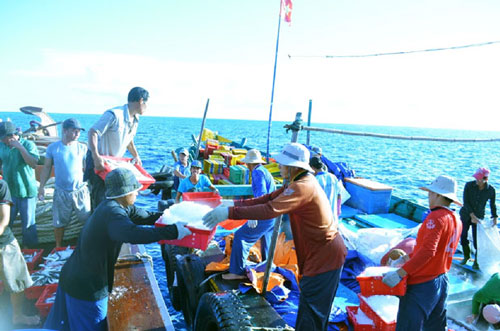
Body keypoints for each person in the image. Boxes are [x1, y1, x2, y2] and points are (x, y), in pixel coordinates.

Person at [203, 143, 347, 331]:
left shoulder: (303, 186)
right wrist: (233, 204)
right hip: (316, 253)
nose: (278, 167)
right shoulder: (296, 183)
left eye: (282, 163)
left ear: (293, 166)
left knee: (312, 311)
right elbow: (267, 199)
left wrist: (230, 213)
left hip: (325, 256)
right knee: (308, 306)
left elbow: (270, 209)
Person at [43, 168, 191, 330]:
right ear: (124, 193)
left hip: (72, 276)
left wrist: (173, 217)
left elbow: (147, 216)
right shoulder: (113, 213)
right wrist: (175, 232)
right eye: (134, 190)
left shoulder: (116, 206)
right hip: (86, 287)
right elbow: (132, 234)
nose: (137, 192)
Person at [382, 175, 463, 331]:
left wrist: (400, 272)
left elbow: (428, 252)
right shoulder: (456, 219)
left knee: (408, 326)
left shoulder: (435, 217)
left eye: (431, 193)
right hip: (442, 280)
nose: (429, 196)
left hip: (423, 283)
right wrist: (408, 257)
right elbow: (439, 249)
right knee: (435, 326)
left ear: (438, 195)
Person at [84, 86, 149, 210]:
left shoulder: (135, 119)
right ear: (141, 101)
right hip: (98, 162)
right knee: (98, 199)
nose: (147, 107)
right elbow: (92, 132)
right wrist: (96, 158)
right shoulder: (114, 115)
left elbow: (129, 140)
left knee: (113, 198)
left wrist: (136, 155)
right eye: (146, 103)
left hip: (113, 164)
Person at [223, 149, 276, 280]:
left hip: (264, 213)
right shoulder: (265, 171)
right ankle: (267, 267)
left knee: (241, 236)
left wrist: (254, 215)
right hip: (273, 214)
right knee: (266, 241)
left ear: (249, 164)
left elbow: (261, 195)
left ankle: (236, 272)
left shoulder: (257, 173)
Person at [38, 118, 90, 247]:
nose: (77, 133)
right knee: (59, 222)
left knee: (87, 220)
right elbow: (46, 167)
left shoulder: (82, 148)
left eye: (79, 131)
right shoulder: (53, 148)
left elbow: (86, 168)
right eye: (74, 130)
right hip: (61, 191)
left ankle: (87, 244)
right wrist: (42, 187)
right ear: (65, 130)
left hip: (80, 191)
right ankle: (58, 246)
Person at [0, 179, 40, 327]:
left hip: (4, 242)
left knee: (17, 280)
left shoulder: (1, 185)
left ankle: (17, 316)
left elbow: (4, 220)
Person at [0, 121, 39, 247]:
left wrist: (20, 148)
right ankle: (7, 248)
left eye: (3, 138)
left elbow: (33, 163)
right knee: (6, 222)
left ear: (11, 136)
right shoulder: (2, 146)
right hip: (9, 194)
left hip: (27, 192)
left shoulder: (28, 144)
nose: (1, 141)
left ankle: (30, 251)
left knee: (28, 226)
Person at [459, 167, 497, 270]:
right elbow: (465, 202)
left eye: (479, 178)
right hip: (466, 214)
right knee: (463, 236)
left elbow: (492, 205)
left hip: (479, 217)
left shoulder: (491, 190)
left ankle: (477, 261)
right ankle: (466, 257)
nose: (477, 180)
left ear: (485, 179)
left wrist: (495, 217)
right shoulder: (469, 185)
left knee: (477, 241)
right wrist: (472, 216)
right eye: (477, 178)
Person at [309, 156, 348, 227]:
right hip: (333, 217)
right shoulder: (333, 177)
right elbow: (339, 195)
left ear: (312, 168)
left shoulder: (315, 180)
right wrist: (338, 210)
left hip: (321, 219)